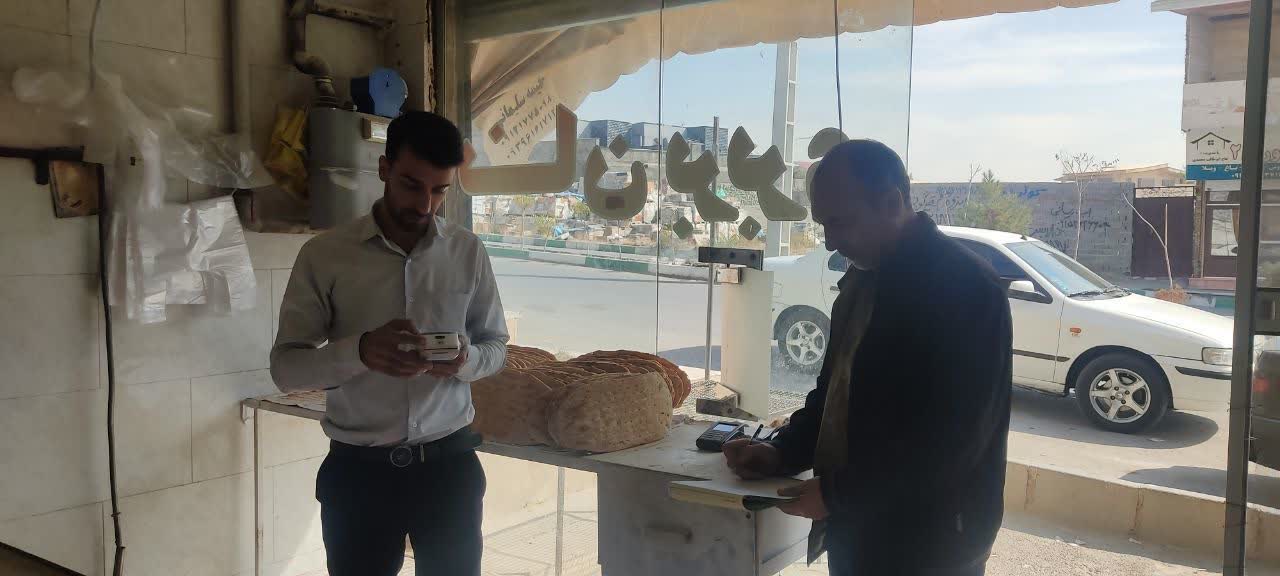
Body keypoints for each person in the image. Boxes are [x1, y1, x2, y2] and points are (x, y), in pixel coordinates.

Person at [723, 139, 1012, 576]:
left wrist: (838, 494)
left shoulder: (967, 288)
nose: (830, 242)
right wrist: (781, 452)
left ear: (892, 203)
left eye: (841, 222)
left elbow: (954, 440)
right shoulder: (861, 284)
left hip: (931, 540)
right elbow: (833, 400)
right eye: (824, 225)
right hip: (857, 525)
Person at [270, 111, 508, 576]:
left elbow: (497, 346)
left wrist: (466, 360)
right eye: (411, 185)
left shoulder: (467, 251)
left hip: (448, 468)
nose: (424, 205)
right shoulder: (325, 255)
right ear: (383, 168)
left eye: (439, 190)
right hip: (359, 475)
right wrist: (359, 352)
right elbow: (285, 369)